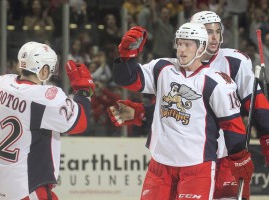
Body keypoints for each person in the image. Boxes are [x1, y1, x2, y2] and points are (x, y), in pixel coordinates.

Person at [108, 11, 269, 199]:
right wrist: (127, 58)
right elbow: (176, 108)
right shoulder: (164, 68)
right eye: (208, 32)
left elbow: (254, 105)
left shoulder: (232, 64)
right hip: (168, 160)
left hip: (218, 156)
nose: (214, 37)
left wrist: (264, 137)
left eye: (217, 31)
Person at [0, 41, 95, 199]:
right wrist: (84, 90)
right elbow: (80, 122)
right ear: (43, 70)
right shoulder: (44, 97)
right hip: (29, 189)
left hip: (1, 188)